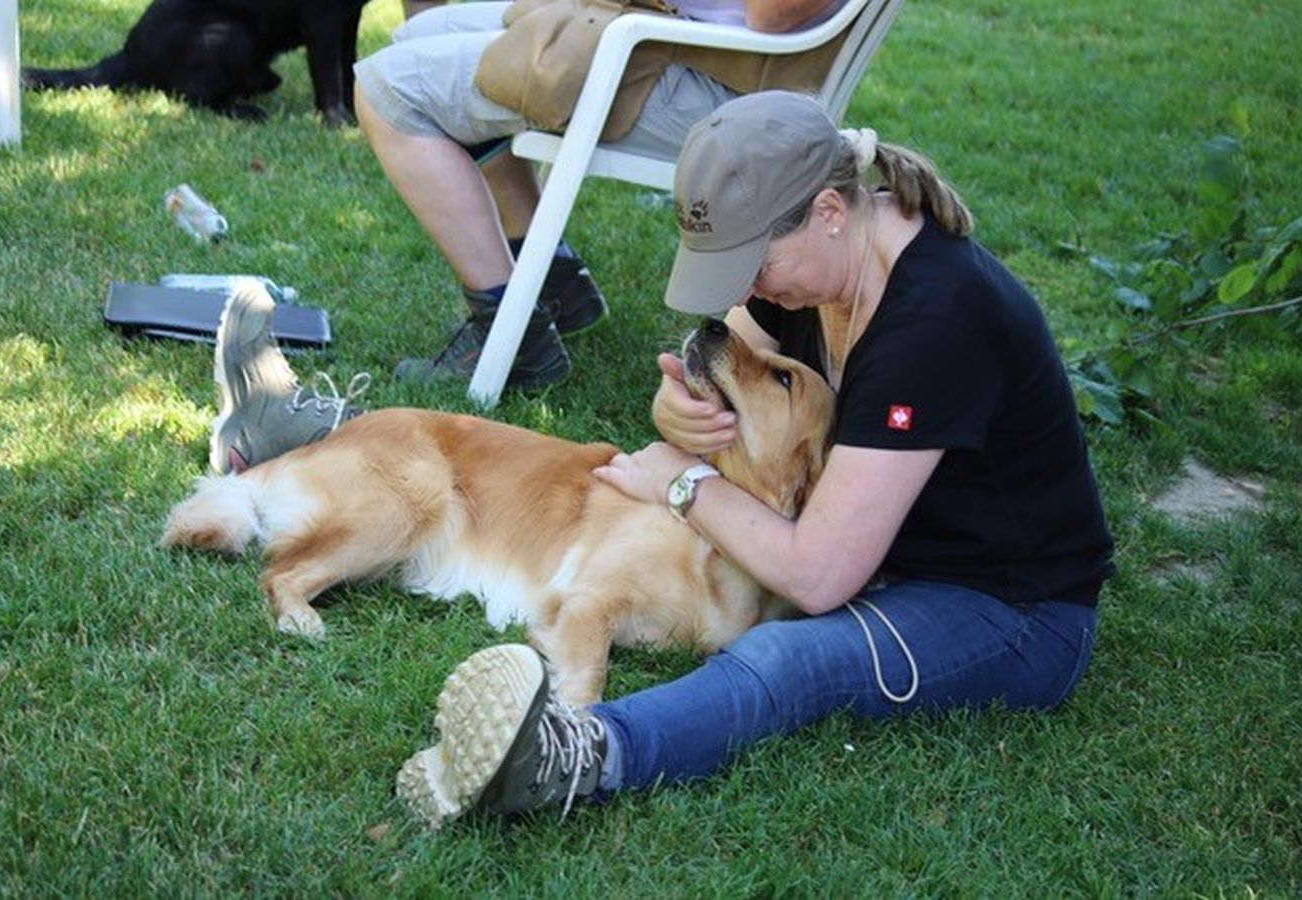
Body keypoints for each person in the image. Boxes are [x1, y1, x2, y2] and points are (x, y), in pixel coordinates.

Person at [386, 90, 1115, 822]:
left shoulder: (933, 324)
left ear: (828, 212)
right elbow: (711, 371)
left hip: (1003, 605)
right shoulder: (814, 272)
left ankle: (578, 753)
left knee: (785, 659)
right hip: (883, 553)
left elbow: (817, 572)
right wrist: (677, 408)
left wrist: (685, 480)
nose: (749, 286)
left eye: (753, 263)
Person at [346, 0, 849, 402]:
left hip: (717, 76)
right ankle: (550, 279)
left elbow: (774, 12)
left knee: (388, 90)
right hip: (673, 35)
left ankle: (510, 335)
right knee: (419, 32)